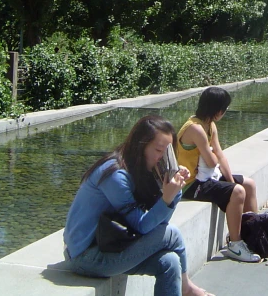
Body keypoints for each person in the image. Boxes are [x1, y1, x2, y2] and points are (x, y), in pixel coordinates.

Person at [63, 115, 213, 296]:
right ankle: (186, 287)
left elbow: (159, 223)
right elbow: (142, 226)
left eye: (168, 152)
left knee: (170, 262)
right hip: (86, 256)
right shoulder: (116, 175)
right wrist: (167, 199)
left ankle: (185, 287)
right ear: (141, 146)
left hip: (112, 246)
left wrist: (174, 191)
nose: (163, 157)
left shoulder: (141, 169)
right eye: (159, 150)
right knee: (171, 234)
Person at [177, 87, 261, 263]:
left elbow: (219, 155)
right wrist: (212, 154)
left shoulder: (210, 125)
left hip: (207, 177)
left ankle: (254, 231)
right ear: (217, 111)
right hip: (191, 184)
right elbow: (212, 162)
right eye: (225, 109)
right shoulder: (196, 129)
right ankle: (235, 245)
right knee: (237, 192)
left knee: (248, 185)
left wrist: (230, 181)